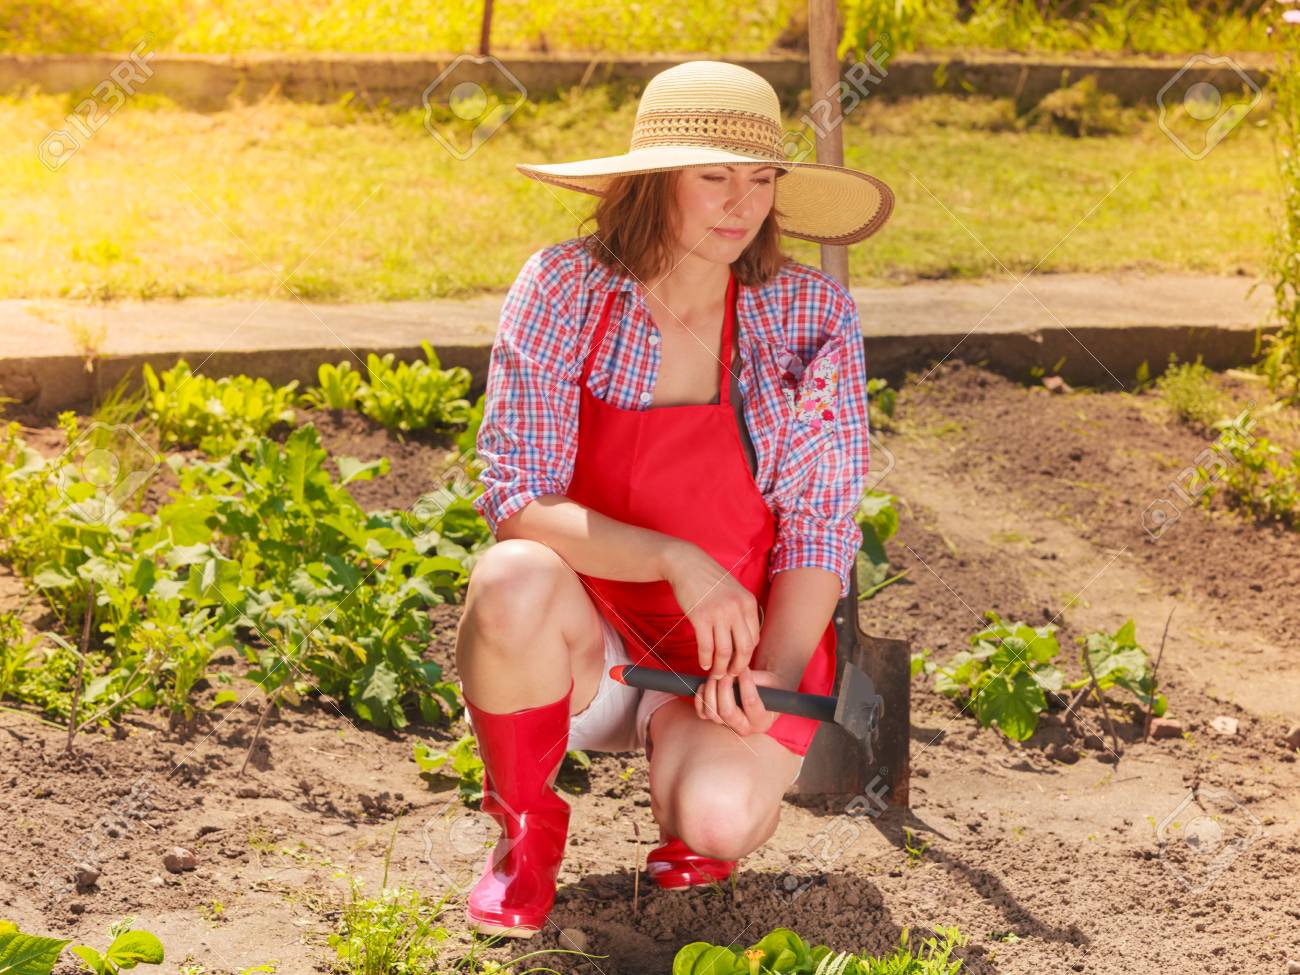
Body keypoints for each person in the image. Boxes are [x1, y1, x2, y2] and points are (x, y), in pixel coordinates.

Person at [453, 59, 894, 938]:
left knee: (722, 817)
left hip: (733, 661)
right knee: (508, 578)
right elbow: (519, 499)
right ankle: (524, 834)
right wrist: (671, 558)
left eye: (761, 179)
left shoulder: (808, 317)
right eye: (714, 177)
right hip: (592, 637)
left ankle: (691, 810)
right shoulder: (565, 290)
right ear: (656, 183)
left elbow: (817, 528)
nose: (741, 203)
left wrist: (773, 667)